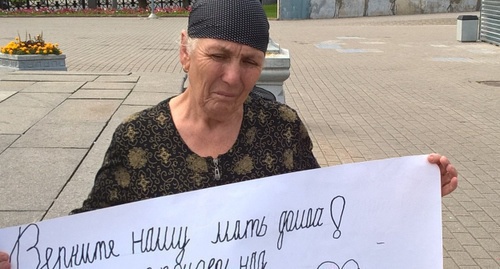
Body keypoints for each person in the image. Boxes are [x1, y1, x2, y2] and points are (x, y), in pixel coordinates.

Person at [0, 0, 458, 268]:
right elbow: (95, 228)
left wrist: (411, 193)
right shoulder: (139, 137)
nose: (235, 77)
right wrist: (24, 257)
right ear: (185, 50)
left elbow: (330, 211)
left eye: (250, 62)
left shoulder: (281, 129)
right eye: (218, 56)